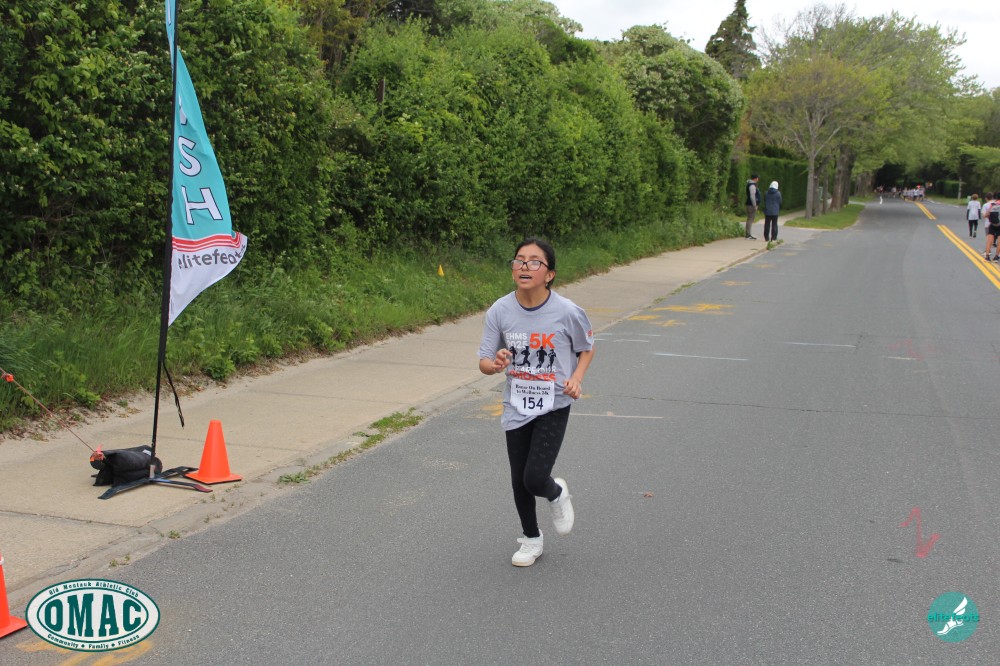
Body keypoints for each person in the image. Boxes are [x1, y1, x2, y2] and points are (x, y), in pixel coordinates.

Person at [478, 237, 595, 567]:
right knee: (519, 478)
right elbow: (484, 361)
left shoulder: (567, 311)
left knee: (534, 478)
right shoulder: (500, 311)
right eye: (519, 260)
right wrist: (495, 364)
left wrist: (576, 378)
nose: (524, 266)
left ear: (549, 274)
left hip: (554, 403)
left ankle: (556, 492)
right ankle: (531, 539)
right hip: (517, 403)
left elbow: (587, 347)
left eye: (534, 261)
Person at [983, 193, 1000, 261]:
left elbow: (986, 215)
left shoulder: (993, 204)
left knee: (989, 240)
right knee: (999, 241)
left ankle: (987, 256)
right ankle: (996, 256)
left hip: (992, 224)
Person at [745, 174, 761, 240]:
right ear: (755, 178)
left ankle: (748, 234)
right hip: (751, 205)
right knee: (750, 219)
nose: (758, 179)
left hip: (750, 204)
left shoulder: (751, 184)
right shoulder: (752, 185)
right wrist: (755, 205)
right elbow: (752, 195)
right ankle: (748, 234)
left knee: (750, 219)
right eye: (757, 178)